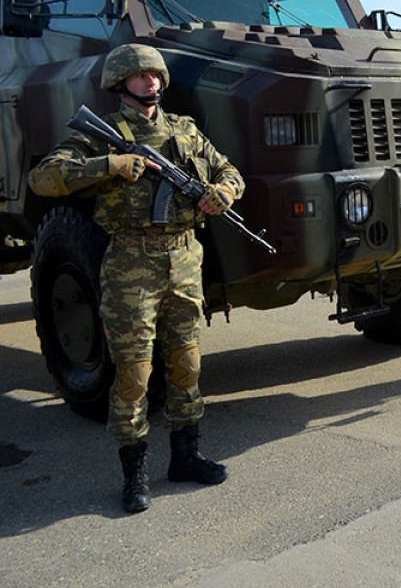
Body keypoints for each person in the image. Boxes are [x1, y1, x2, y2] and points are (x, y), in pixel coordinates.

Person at [28, 43, 245, 513]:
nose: (150, 81)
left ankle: (187, 457)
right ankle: (135, 474)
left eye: (155, 74)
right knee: (134, 372)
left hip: (185, 258)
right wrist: (111, 165)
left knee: (187, 364)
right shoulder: (105, 136)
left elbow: (229, 170)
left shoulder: (183, 129)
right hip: (131, 262)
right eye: (139, 75)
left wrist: (223, 191)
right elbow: (43, 178)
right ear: (120, 82)